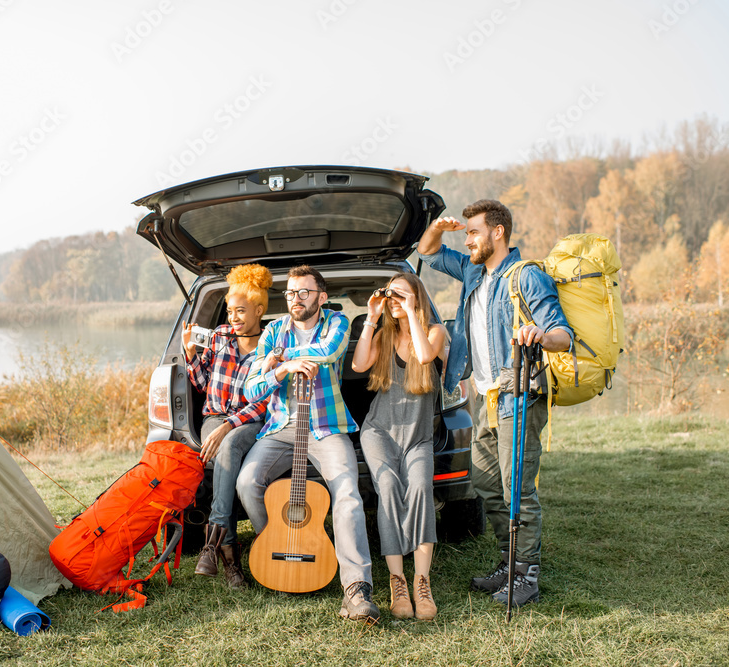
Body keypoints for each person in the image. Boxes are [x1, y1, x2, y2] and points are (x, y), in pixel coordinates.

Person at [416, 199, 573, 609]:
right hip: (485, 396)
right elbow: (427, 252)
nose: (467, 239)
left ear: (497, 232)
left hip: (518, 394)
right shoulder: (472, 271)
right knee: (487, 484)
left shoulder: (527, 277)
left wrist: (539, 333)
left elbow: (564, 335)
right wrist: (438, 227)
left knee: (516, 489)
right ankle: (510, 563)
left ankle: (528, 575)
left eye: (473, 232)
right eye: (466, 233)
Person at [237, 265, 380, 623]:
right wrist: (283, 370)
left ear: (321, 296)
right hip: (282, 427)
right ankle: (280, 546)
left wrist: (279, 360)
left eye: (303, 292)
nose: (295, 299)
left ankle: (356, 589)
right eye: (290, 293)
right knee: (247, 482)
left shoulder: (337, 322)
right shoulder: (272, 330)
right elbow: (251, 389)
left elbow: (330, 352)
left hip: (326, 427)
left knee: (347, 493)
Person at [350, 271, 447, 621]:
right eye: (390, 295)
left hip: (417, 436)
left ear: (416, 299)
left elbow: (423, 356)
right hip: (379, 432)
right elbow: (359, 364)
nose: (393, 301)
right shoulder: (382, 335)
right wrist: (371, 318)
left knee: (420, 487)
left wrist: (412, 314)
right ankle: (397, 580)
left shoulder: (434, 332)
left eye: (401, 295)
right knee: (388, 486)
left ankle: (422, 581)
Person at [182, 263, 273, 588]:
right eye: (230, 310)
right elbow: (202, 383)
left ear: (259, 310)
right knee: (225, 447)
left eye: (241, 311)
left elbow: (263, 401)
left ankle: (214, 542)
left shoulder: (270, 345)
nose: (233, 317)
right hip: (214, 417)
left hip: (250, 421)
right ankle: (231, 562)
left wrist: (228, 426)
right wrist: (192, 355)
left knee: (230, 443)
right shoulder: (220, 336)